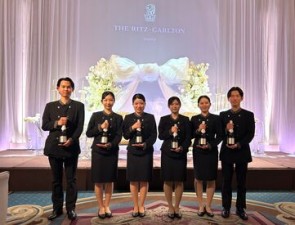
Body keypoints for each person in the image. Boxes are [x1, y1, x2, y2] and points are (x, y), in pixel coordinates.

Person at [42, 77, 85, 221]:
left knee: (71, 180)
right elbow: (45, 125)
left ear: (72, 89)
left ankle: (71, 209)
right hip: (54, 148)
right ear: (58, 89)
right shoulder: (50, 106)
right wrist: (57, 123)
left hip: (71, 148)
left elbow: (79, 127)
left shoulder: (79, 106)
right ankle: (57, 209)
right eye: (63, 86)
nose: (66, 89)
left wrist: (71, 140)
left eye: (69, 87)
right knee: (56, 180)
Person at [219, 87, 255, 220]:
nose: (234, 98)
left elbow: (250, 134)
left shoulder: (248, 115)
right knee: (226, 181)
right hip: (227, 152)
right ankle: (226, 207)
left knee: (241, 182)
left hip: (242, 151)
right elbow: (220, 134)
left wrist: (239, 144)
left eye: (237, 96)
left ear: (241, 98)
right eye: (232, 96)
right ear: (228, 98)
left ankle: (240, 208)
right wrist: (225, 130)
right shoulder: (223, 115)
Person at [86, 91, 123, 219]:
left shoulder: (118, 118)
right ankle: (100, 206)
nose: (108, 102)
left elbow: (119, 135)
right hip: (98, 152)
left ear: (114, 101)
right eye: (106, 100)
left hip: (111, 151)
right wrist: (100, 127)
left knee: (109, 180)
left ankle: (107, 205)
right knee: (98, 180)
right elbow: (89, 133)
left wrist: (111, 145)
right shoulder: (95, 115)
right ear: (102, 101)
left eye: (111, 100)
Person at [122, 93, 157, 218]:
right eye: (136, 103)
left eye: (141, 103)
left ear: (145, 104)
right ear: (133, 104)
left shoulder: (150, 117)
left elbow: (154, 135)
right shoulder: (127, 118)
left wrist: (145, 144)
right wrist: (133, 127)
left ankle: (142, 205)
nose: (139, 106)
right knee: (133, 178)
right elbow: (125, 135)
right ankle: (135, 205)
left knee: (144, 179)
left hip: (146, 152)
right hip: (133, 152)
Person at [158, 96, 191, 219]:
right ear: (169, 106)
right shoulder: (164, 119)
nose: (174, 106)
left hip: (180, 153)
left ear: (180, 105)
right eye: (172, 104)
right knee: (167, 180)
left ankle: (177, 206)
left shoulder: (186, 120)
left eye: (176, 104)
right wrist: (170, 132)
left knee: (179, 180)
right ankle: (170, 207)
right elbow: (160, 136)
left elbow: (188, 138)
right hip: (167, 153)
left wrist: (182, 148)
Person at [191, 95, 223, 218]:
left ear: (210, 104)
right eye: (201, 103)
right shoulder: (194, 119)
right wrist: (199, 130)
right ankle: (200, 205)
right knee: (198, 178)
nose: (204, 105)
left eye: (206, 103)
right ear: (198, 105)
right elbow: (190, 135)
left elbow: (220, 136)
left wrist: (210, 145)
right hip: (198, 151)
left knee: (211, 178)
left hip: (211, 151)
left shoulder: (216, 118)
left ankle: (208, 205)